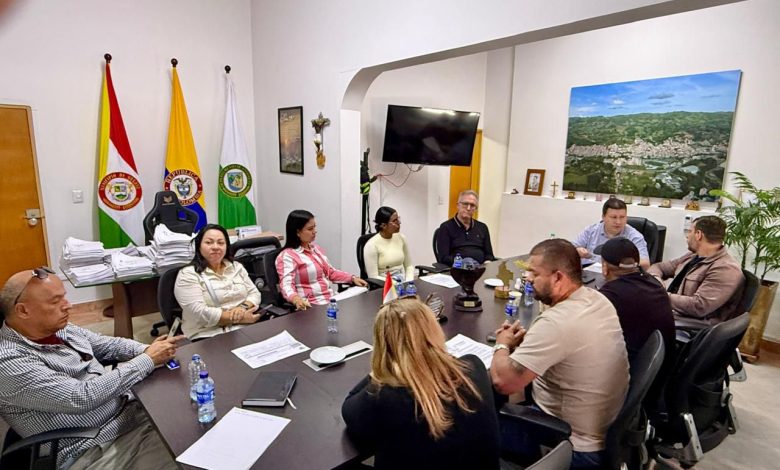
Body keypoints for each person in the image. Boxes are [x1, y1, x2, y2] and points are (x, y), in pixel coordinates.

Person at [0, 268, 182, 470]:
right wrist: (147, 360)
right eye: (55, 301)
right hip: (94, 446)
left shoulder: (57, 328)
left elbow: (106, 344)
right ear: (23, 311)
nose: (68, 306)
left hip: (130, 414)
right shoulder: (9, 361)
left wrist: (147, 349)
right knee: (187, 458)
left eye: (64, 297)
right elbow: (81, 397)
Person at [490, 239, 629, 468]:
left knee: (473, 421)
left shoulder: (557, 322)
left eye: (534, 273)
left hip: (570, 444)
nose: (527, 278)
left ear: (557, 278)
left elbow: (504, 382)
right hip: (605, 430)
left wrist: (502, 344)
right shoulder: (597, 299)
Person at [342, 297, 499, 469]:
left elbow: (348, 407)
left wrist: (383, 367)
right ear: (434, 331)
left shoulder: (384, 398)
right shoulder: (474, 366)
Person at [598, 237, 675, 398]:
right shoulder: (654, 283)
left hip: (631, 377)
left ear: (605, 268)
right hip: (659, 372)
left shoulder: (611, 295)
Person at [647, 215, 744, 329]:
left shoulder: (725, 269)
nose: (688, 236)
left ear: (698, 235)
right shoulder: (693, 256)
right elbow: (659, 267)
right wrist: (657, 281)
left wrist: (660, 295)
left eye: (690, 231)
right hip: (672, 313)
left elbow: (699, 306)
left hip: (692, 324)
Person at [174, 223, 263, 341]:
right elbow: (199, 313)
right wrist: (239, 318)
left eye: (221, 243)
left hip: (244, 328)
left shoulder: (236, 267)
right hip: (207, 334)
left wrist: (242, 308)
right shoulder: (188, 274)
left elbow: (254, 293)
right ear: (199, 246)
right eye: (209, 242)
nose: (215, 247)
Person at [276, 210, 368, 310]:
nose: (315, 231)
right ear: (297, 232)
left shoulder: (315, 249)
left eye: (314, 227)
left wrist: (352, 278)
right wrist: (296, 299)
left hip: (331, 299)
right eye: (310, 229)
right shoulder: (287, 256)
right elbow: (286, 285)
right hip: (312, 306)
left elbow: (331, 272)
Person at [573, 198, 650, 269]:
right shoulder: (591, 231)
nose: (618, 222)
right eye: (614, 217)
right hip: (590, 273)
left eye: (622, 217)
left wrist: (620, 264)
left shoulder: (634, 236)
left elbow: (645, 264)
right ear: (603, 217)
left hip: (619, 275)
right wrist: (577, 250)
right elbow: (569, 250)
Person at [436, 190, 496, 265]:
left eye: (472, 205)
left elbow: (489, 255)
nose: (468, 208)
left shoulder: (482, 227)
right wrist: (463, 264)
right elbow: (443, 257)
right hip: (457, 270)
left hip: (481, 269)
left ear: (476, 209)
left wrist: (487, 263)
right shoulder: (446, 227)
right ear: (458, 205)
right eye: (465, 204)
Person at [363, 206, 414, 282]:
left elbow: (409, 266)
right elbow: (373, 276)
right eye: (395, 221)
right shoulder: (371, 245)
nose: (399, 223)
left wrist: (409, 282)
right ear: (383, 225)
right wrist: (394, 284)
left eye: (398, 219)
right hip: (384, 285)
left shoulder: (401, 238)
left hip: (402, 281)